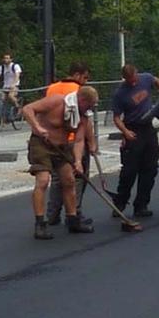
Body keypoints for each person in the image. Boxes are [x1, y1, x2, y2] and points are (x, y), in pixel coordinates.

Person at [21, 86, 100, 239]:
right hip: (42, 144)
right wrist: (37, 127)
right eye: (89, 105)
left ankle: (73, 220)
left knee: (69, 180)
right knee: (43, 181)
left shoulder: (82, 117)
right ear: (82, 100)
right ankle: (40, 224)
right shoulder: (57, 101)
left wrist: (78, 161)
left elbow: (78, 140)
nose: (90, 109)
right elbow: (27, 109)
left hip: (61, 149)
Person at [112, 64, 159, 221]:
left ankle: (141, 205)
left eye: (134, 79)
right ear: (125, 79)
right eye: (129, 81)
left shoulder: (145, 78)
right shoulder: (120, 93)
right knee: (129, 171)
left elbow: (156, 81)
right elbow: (116, 118)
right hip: (132, 129)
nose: (133, 83)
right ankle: (119, 204)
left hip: (148, 128)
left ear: (137, 74)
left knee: (150, 168)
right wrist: (125, 132)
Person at [45, 62, 97, 226]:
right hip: (73, 141)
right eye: (85, 77)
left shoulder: (52, 88)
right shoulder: (80, 92)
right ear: (77, 75)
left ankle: (52, 214)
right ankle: (74, 213)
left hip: (55, 142)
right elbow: (84, 121)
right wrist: (92, 142)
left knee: (57, 180)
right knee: (77, 178)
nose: (86, 81)